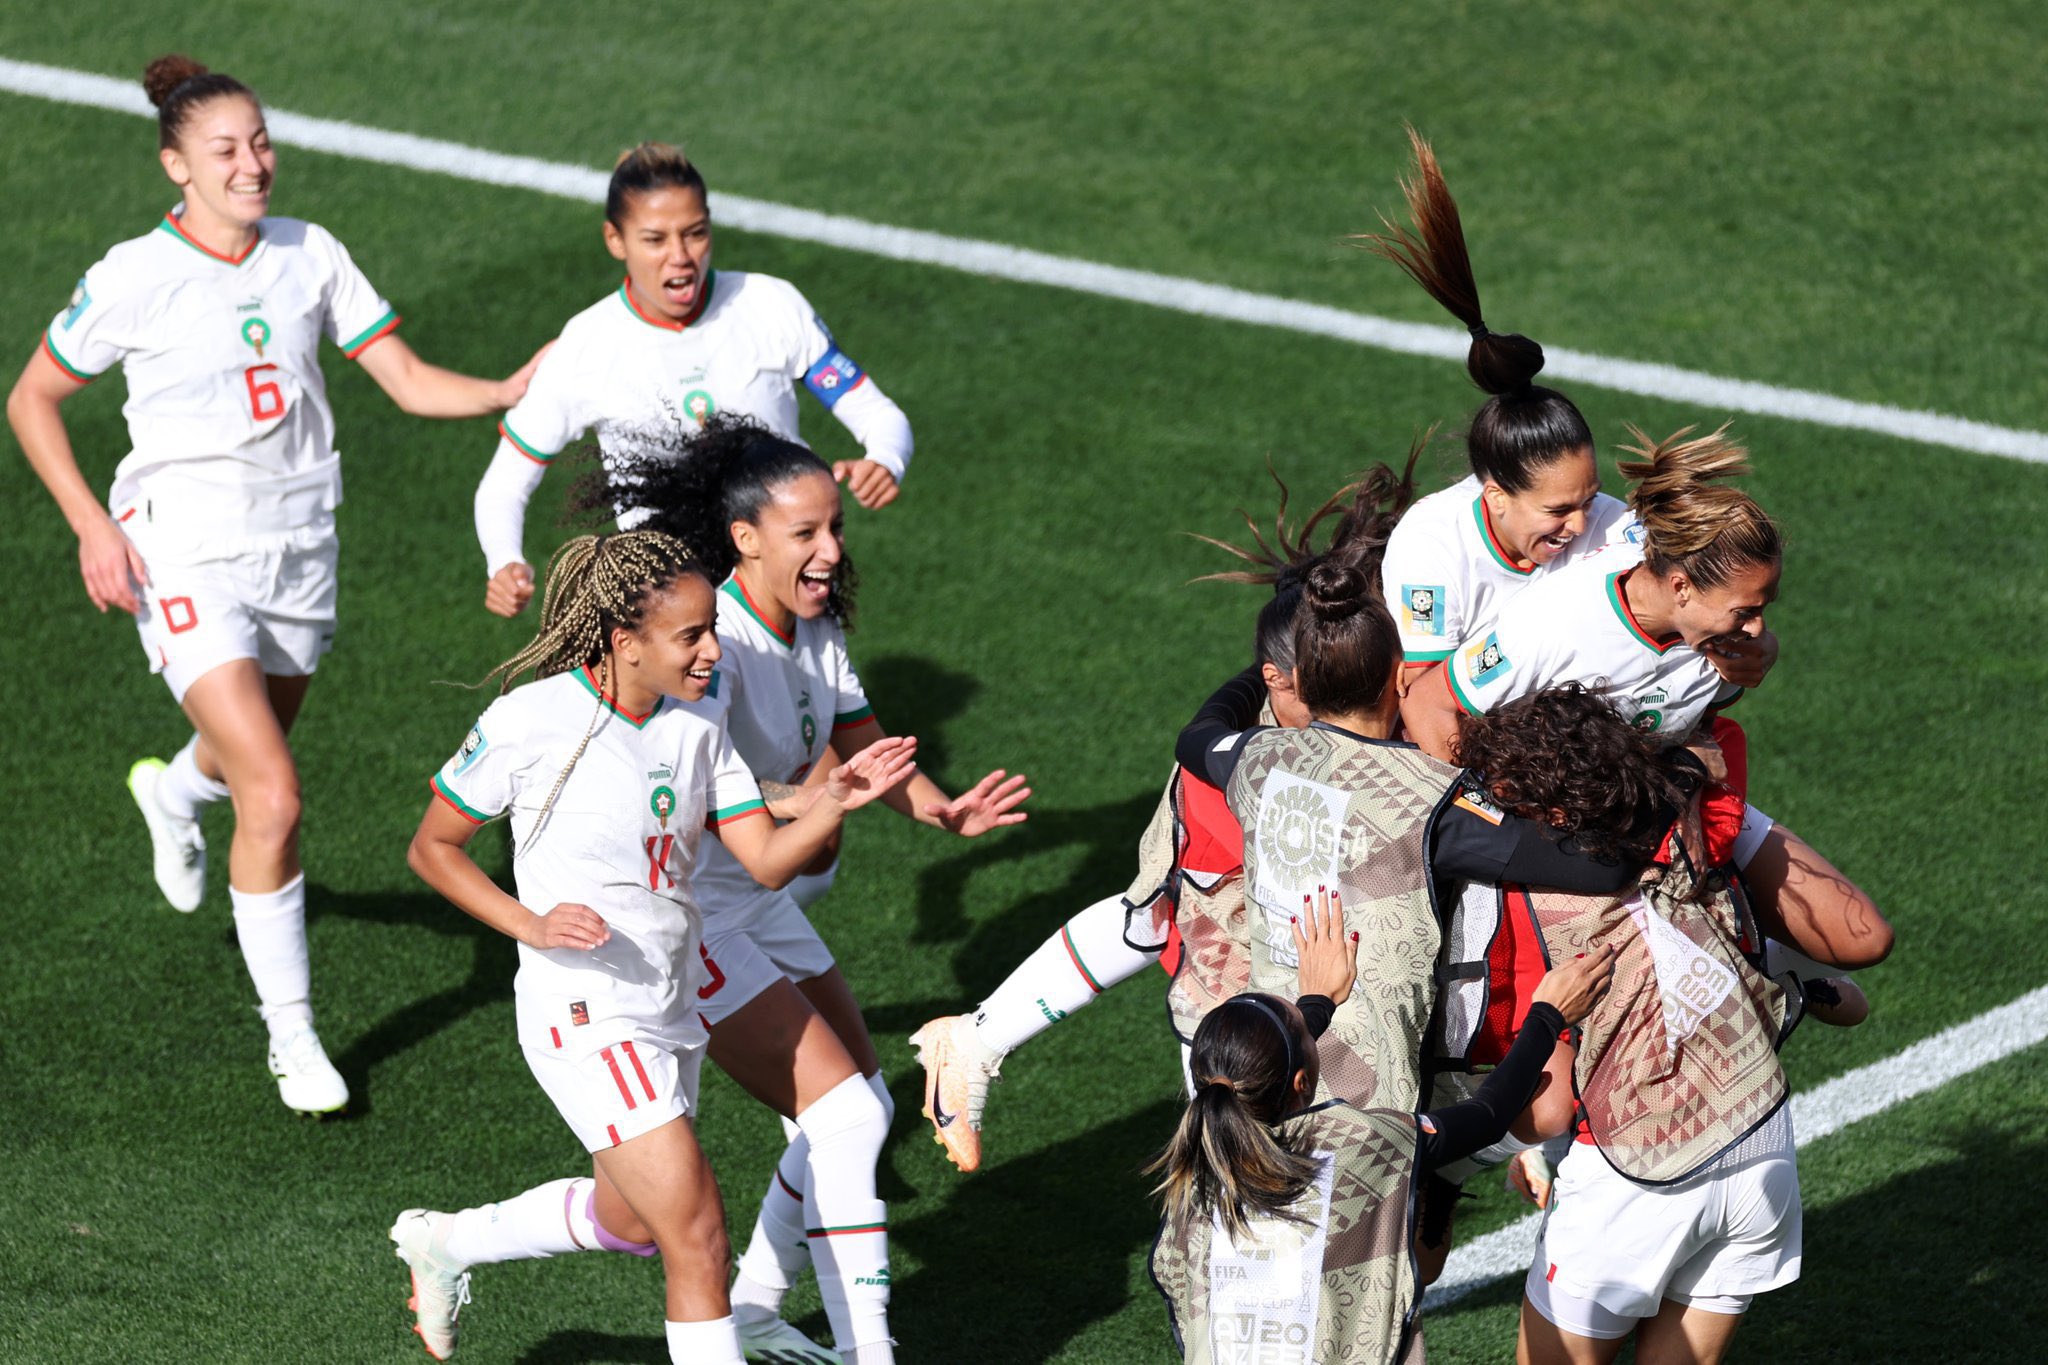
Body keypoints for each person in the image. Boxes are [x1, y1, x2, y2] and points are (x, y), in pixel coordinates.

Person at [4, 54, 547, 1116]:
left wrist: (499, 391)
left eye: (260, 142)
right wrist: (90, 528)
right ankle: (293, 1039)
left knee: (248, 756)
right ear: (177, 167)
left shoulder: (311, 255)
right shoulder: (131, 275)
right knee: (277, 793)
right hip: (183, 549)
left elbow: (399, 375)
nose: (253, 164)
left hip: (300, 547)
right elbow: (32, 399)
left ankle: (172, 792)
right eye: (225, 150)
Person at [392, 530, 916, 1365]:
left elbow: (766, 863)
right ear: (623, 640)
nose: (713, 650)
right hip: (587, 1011)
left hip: (673, 998)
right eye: (691, 636)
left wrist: (832, 801)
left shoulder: (697, 727)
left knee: (631, 1221)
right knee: (699, 1238)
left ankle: (448, 1241)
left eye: (711, 627)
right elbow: (433, 847)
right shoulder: (530, 721)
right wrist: (531, 925)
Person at [579, 416, 1025, 1360]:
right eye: (807, 534)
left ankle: (756, 1299)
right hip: (691, 912)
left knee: (863, 1102)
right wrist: (818, 796)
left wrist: (944, 813)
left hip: (756, 900)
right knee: (849, 1114)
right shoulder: (711, 648)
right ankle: (871, 1351)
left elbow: (863, 747)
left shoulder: (813, 629)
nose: (831, 550)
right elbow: (697, 794)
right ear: (744, 538)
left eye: (836, 530)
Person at [909, 460, 1419, 1172]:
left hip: (1258, 810)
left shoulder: (1326, 692)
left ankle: (979, 1038)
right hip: (1227, 826)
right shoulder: (1243, 767)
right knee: (1218, 982)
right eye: (1321, 686)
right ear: (1278, 682)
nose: (1350, 700)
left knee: (1155, 919)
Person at [1148, 890, 1618, 1364]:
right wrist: (1546, 1016)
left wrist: (1316, 1003)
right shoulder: (1355, 1146)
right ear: (1301, 1082)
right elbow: (1487, 1117)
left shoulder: (1195, 1178)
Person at [473, 144, 914, 619]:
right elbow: (504, 484)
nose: (680, 257)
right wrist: (505, 562)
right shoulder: (585, 347)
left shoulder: (769, 305)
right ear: (615, 240)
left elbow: (877, 413)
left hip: (789, 590)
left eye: (695, 234)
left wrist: (885, 460)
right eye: (655, 239)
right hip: (670, 613)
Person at [1356, 129, 1641, 749]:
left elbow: (1690, 603)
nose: (1582, 523)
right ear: (1495, 493)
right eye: (1559, 509)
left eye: (1589, 499)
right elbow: (1425, 703)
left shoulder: (1615, 528)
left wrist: (1751, 654)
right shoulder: (1433, 545)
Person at [1404, 424, 1782, 761]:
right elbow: (1426, 703)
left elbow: (1701, 728)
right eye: (1745, 612)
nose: (1756, 629)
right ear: (1681, 587)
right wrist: (1484, 821)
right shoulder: (1551, 627)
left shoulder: (1718, 640)